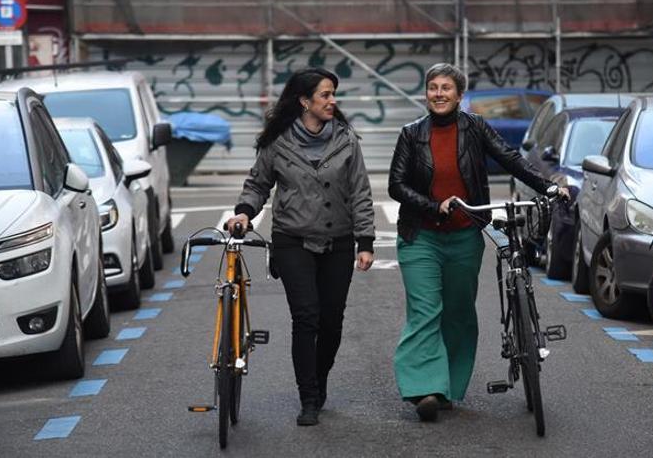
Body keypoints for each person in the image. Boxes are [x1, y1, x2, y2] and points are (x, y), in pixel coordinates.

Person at [388, 63, 567, 422]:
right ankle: (425, 389)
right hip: (420, 235)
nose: (439, 94)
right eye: (433, 87)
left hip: (465, 236)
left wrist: (547, 186)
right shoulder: (411, 134)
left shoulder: (475, 127)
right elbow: (397, 185)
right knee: (426, 313)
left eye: (446, 88)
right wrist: (432, 206)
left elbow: (510, 159)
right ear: (426, 93)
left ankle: (448, 388)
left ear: (459, 95)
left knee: (458, 314)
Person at [227, 67, 375, 426]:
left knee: (332, 323)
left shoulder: (346, 139)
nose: (332, 101)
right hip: (292, 240)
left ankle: (319, 378)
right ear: (305, 101)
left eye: (333, 94)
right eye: (325, 95)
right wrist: (244, 214)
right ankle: (308, 397)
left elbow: (359, 192)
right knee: (306, 317)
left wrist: (365, 240)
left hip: (338, 241)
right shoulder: (277, 142)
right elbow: (257, 184)